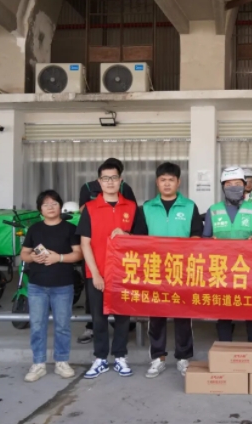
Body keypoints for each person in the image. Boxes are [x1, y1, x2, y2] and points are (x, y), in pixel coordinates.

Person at [132, 162, 204, 378]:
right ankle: (158, 358)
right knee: (156, 316)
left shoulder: (189, 206)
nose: (167, 183)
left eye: (171, 180)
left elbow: (197, 235)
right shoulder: (146, 208)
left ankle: (183, 358)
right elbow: (138, 238)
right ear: (157, 182)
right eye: (163, 180)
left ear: (178, 182)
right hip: (154, 269)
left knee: (183, 315)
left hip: (182, 269)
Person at [76, 160, 143, 379]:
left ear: (120, 180)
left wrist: (127, 235)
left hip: (124, 273)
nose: (110, 182)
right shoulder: (90, 208)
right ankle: (100, 358)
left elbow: (142, 239)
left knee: (123, 316)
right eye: (105, 178)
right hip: (97, 272)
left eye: (114, 178)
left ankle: (120, 356)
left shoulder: (131, 207)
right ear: (99, 182)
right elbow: (85, 243)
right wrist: (95, 273)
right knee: (99, 317)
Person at [21, 190, 83, 382]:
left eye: (54, 203)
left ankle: (61, 362)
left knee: (62, 326)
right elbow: (24, 254)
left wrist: (59, 258)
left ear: (60, 207)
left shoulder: (70, 229)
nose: (50, 207)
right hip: (37, 286)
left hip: (63, 285)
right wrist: (33, 257)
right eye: (46, 204)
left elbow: (79, 254)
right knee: (37, 326)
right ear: (40, 209)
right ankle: (38, 363)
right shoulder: (34, 229)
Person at [203, 166, 252, 342]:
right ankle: (224, 347)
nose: (233, 187)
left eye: (237, 183)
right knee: (224, 310)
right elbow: (204, 239)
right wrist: (210, 241)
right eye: (229, 184)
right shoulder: (213, 210)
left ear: (245, 185)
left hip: (248, 270)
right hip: (222, 271)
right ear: (222, 187)